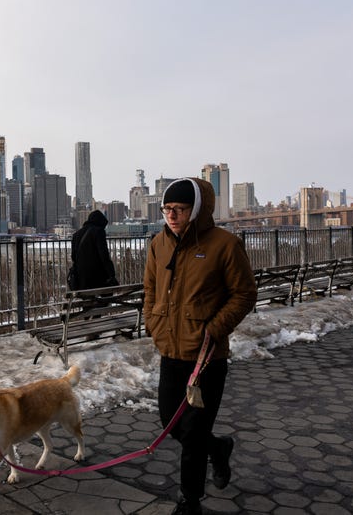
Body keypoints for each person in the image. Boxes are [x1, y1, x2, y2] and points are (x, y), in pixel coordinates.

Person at [143, 178, 257, 515]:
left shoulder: (225, 245)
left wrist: (215, 329)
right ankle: (219, 449)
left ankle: (190, 501)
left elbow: (245, 293)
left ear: (196, 209)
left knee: (193, 435)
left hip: (207, 358)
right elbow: (149, 288)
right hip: (171, 351)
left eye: (179, 209)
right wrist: (153, 324)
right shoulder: (158, 244)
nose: (172, 216)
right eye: (167, 209)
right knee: (170, 422)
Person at [70, 209, 119, 290]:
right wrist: (112, 275)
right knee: (107, 290)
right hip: (97, 279)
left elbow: (73, 257)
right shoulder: (98, 232)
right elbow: (104, 256)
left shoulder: (76, 235)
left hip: (81, 279)